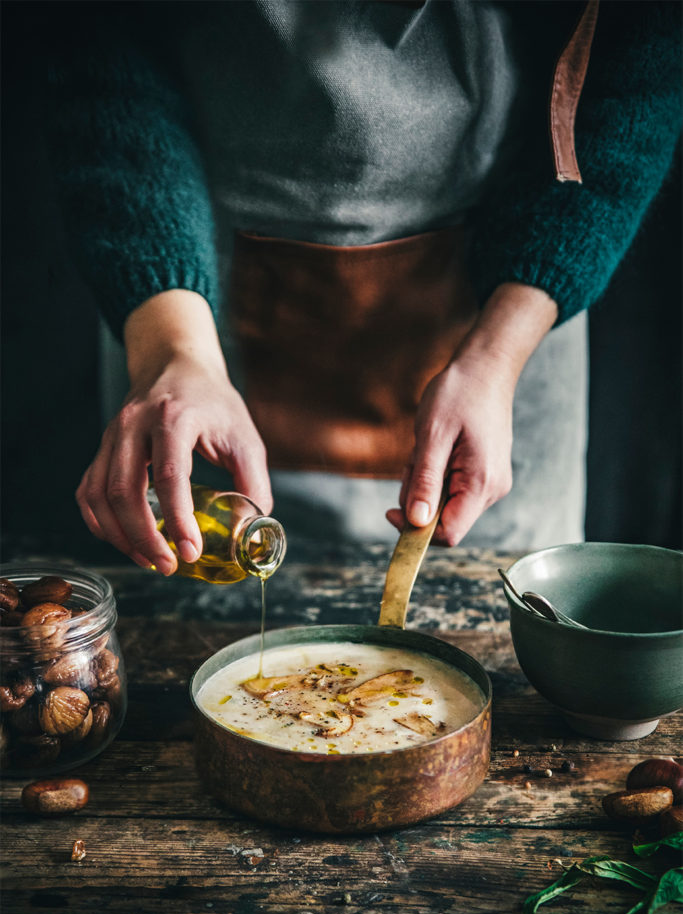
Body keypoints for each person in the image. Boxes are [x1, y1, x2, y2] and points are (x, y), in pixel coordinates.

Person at [45, 1, 681, 574]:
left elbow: (637, 71)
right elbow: (102, 50)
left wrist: (496, 356)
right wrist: (173, 350)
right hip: (200, 287)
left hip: (510, 296)